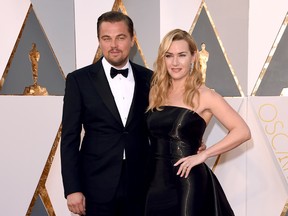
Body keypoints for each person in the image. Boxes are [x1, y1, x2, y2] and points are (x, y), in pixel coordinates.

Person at [145, 29, 251, 216]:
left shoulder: (205, 95)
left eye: (182, 55)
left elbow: (242, 131)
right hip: (155, 181)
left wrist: (205, 154)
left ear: (193, 57)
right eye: (169, 56)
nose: (175, 62)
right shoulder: (156, 92)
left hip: (187, 181)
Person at [60, 11, 153, 216]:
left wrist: (192, 141)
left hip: (141, 184)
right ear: (99, 41)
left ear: (132, 40)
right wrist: (72, 188)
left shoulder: (150, 79)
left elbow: (159, 127)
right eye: (106, 38)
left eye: (120, 37)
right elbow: (69, 137)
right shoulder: (79, 80)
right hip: (95, 185)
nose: (114, 45)